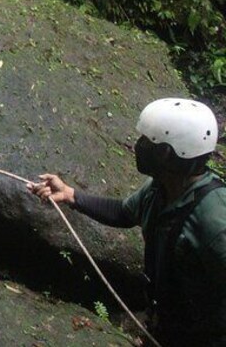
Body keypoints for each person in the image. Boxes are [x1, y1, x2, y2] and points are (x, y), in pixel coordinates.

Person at [28, 98, 226, 346]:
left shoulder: (213, 217)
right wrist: (70, 195)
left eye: (147, 141)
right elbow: (123, 213)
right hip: (169, 325)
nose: (138, 146)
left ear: (166, 153)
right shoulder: (159, 189)